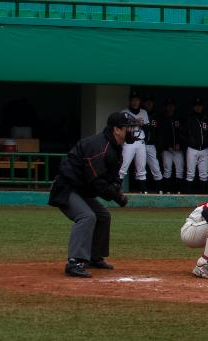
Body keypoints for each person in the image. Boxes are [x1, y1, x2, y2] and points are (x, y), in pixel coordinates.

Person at [48, 112, 135, 277]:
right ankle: (75, 262)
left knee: (102, 216)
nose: (131, 131)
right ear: (117, 129)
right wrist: (117, 197)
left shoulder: (115, 146)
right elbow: (97, 181)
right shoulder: (99, 146)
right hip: (67, 188)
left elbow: (113, 176)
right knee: (87, 216)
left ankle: (94, 257)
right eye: (128, 128)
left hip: (81, 190)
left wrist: (116, 188)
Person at [118, 91, 162, 193]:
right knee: (123, 167)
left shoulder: (144, 112)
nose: (135, 102)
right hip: (129, 143)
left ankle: (143, 191)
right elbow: (120, 127)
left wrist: (141, 124)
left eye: (137, 100)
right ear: (130, 101)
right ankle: (116, 189)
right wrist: (134, 123)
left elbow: (148, 128)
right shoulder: (124, 112)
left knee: (141, 168)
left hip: (141, 142)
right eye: (133, 100)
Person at [184, 97, 208, 193]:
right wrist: (189, 142)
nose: (198, 108)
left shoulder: (206, 118)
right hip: (192, 149)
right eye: (196, 106)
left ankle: (203, 195)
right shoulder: (189, 118)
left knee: (204, 174)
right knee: (190, 173)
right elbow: (183, 133)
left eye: (200, 106)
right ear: (193, 107)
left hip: (204, 149)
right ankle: (188, 196)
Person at [140, 93, 165, 193]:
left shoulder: (157, 116)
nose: (148, 104)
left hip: (151, 145)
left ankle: (160, 189)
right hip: (140, 144)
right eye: (146, 102)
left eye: (150, 102)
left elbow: (160, 131)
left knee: (155, 167)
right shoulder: (140, 114)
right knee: (140, 167)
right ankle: (143, 189)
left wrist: (159, 145)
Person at [159, 98, 185, 194]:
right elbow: (160, 135)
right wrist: (166, 146)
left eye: (172, 105)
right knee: (167, 169)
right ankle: (167, 190)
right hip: (167, 150)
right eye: (168, 105)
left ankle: (178, 190)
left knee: (179, 170)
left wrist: (180, 144)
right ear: (166, 107)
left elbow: (183, 133)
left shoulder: (179, 118)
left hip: (178, 150)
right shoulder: (162, 118)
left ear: (174, 107)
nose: (170, 107)